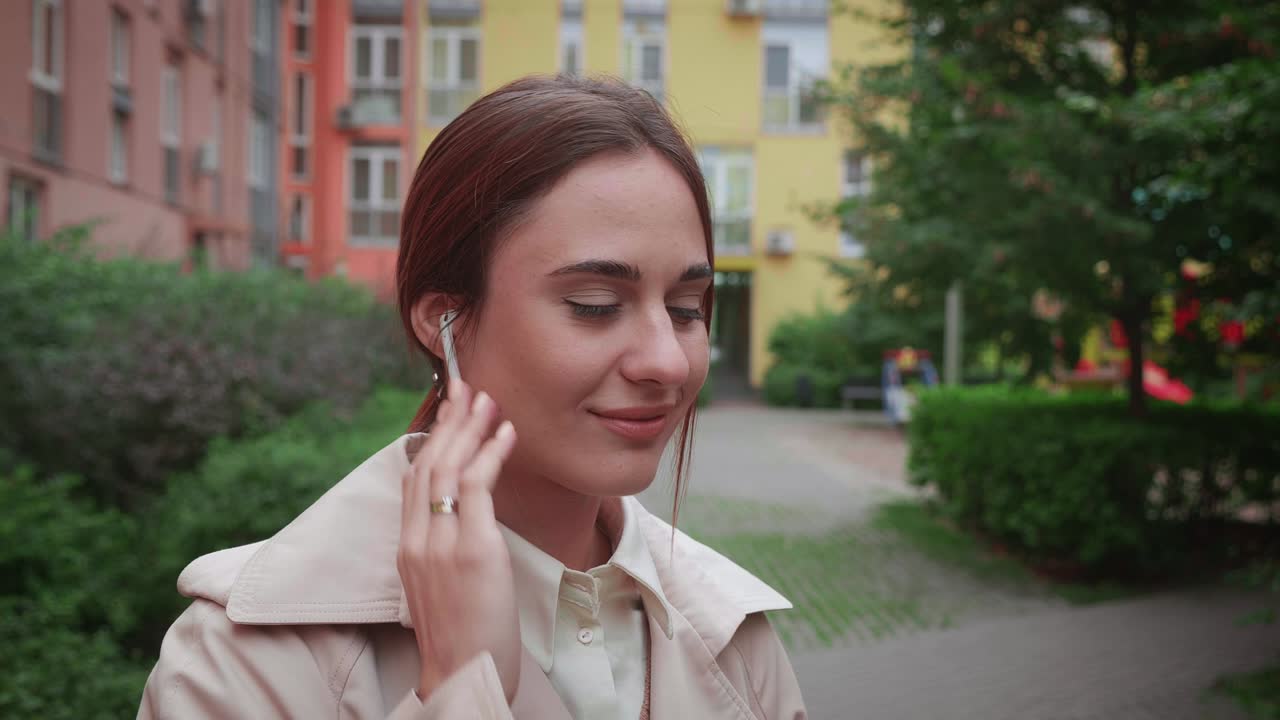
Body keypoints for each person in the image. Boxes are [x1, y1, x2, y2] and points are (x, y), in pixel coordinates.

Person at [138, 75, 807, 720]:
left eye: (687, 307)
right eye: (595, 305)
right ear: (445, 320)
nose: (667, 360)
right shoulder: (243, 664)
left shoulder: (733, 633)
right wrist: (460, 690)